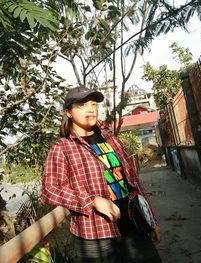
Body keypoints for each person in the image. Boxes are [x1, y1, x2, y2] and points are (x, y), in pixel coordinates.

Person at [42, 85, 162, 263]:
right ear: (68, 112)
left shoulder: (111, 139)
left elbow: (133, 180)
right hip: (95, 234)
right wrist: (92, 200)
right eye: (82, 105)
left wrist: (151, 219)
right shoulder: (62, 147)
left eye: (93, 104)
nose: (90, 109)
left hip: (133, 225)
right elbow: (50, 189)